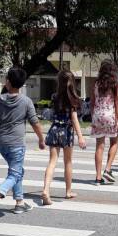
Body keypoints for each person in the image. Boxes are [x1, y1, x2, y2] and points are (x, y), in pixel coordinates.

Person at [0, 67, 46, 221]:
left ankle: (19, 202)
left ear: (8, 82)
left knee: (17, 171)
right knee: (15, 173)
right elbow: (35, 122)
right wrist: (41, 139)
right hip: (16, 143)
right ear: (22, 84)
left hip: (2, 143)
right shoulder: (27, 102)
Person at [41, 70, 87, 205]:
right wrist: (80, 137)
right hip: (66, 131)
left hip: (54, 129)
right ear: (72, 82)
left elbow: (52, 114)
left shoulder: (55, 97)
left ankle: (45, 190)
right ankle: (68, 191)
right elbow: (74, 119)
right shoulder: (73, 99)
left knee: (52, 161)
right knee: (68, 162)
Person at [91, 60, 118, 185]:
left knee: (99, 146)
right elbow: (117, 102)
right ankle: (107, 169)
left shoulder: (96, 83)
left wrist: (93, 116)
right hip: (110, 116)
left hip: (98, 116)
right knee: (114, 142)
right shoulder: (115, 83)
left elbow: (92, 101)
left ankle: (98, 177)